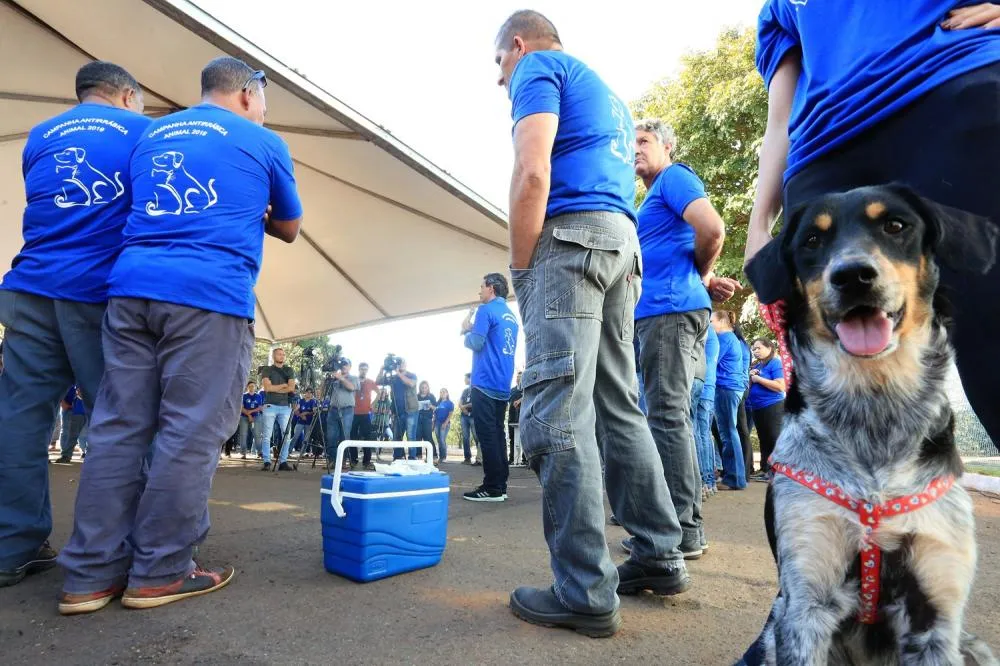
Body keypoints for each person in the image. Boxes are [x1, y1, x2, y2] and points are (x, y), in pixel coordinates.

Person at [57, 56, 302, 614]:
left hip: (130, 290)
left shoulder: (153, 132)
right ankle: (161, 570)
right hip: (207, 297)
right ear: (246, 93)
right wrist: (255, 211)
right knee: (189, 432)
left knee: (118, 428)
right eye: (264, 99)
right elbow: (288, 226)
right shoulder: (263, 141)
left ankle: (89, 578)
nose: (264, 110)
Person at [494, 10, 692, 636]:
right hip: (620, 243)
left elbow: (532, 172)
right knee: (618, 404)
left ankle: (582, 589)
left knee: (558, 409)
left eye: (499, 63)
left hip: (570, 243)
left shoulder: (538, 68)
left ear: (517, 45)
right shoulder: (606, 91)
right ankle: (660, 552)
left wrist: (522, 273)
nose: (500, 79)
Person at [746, 1, 1000, 448]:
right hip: (820, 155)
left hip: (950, 91)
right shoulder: (778, 9)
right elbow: (778, 121)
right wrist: (759, 222)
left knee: (989, 328)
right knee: (824, 368)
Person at [0, 62, 148, 589]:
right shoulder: (143, 133)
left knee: (19, 419)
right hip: (96, 292)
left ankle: (11, 547)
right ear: (127, 95)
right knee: (119, 419)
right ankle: (126, 548)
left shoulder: (40, 136)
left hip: (30, 288)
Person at [631, 118, 731, 557]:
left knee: (667, 417)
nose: (634, 148)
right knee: (669, 416)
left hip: (669, 312)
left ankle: (683, 530)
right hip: (665, 312)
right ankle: (680, 524)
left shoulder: (674, 177)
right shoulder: (652, 194)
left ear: (667, 146)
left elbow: (712, 229)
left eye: (644, 141)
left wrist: (703, 272)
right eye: (630, 141)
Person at [461, 273, 519, 501]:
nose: (479, 291)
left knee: (487, 436)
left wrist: (466, 329)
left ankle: (492, 487)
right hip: (502, 383)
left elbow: (476, 342)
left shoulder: (485, 310)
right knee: (498, 434)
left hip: (484, 381)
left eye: (481, 286)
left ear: (491, 288)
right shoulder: (510, 315)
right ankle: (499, 485)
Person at [710, 311, 748, 491]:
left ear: (722, 322)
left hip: (726, 387)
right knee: (729, 432)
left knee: (728, 433)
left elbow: (711, 359)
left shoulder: (724, 338)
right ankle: (735, 476)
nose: (709, 324)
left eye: (711, 321)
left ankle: (734, 478)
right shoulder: (731, 337)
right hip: (730, 388)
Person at [747, 338, 785, 482]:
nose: (756, 351)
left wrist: (759, 379)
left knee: (774, 438)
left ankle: (778, 472)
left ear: (769, 348)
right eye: (754, 349)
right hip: (757, 407)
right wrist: (751, 377)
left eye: (759, 348)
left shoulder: (775, 362)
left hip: (773, 406)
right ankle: (765, 469)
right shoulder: (758, 365)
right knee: (764, 439)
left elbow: (780, 386)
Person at [259, 347, 297, 471]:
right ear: (273, 356)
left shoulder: (289, 370)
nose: (282, 356)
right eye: (279, 354)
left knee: (287, 435)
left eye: (283, 354)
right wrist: (283, 385)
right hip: (270, 405)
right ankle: (266, 461)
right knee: (266, 435)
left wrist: (277, 387)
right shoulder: (267, 370)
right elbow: (267, 388)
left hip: (285, 407)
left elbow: (291, 388)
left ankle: (283, 461)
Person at [695, 326, 720, 497]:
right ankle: (709, 483)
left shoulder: (703, 326)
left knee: (696, 433)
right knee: (704, 435)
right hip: (709, 387)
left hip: (700, 385)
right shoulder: (712, 333)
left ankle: (703, 482)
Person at [378, 359, 419, 460]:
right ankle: (397, 457)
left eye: (403, 363)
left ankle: (412, 458)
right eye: (399, 363)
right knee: (397, 436)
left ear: (406, 364)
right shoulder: (393, 378)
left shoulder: (411, 375)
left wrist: (398, 374)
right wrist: (381, 369)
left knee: (411, 436)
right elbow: (378, 381)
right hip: (397, 412)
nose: (401, 365)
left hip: (411, 410)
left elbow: (411, 384)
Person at [326, 360, 357, 468]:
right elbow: (323, 390)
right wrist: (329, 378)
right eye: (342, 364)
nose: (344, 366)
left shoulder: (353, 378)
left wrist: (341, 378)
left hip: (347, 410)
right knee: (331, 436)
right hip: (333, 409)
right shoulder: (334, 378)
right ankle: (332, 460)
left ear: (350, 366)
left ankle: (342, 462)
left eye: (346, 364)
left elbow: (352, 387)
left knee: (344, 436)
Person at [349, 361, 378, 470]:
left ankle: (367, 461)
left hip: (366, 413)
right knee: (352, 436)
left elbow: (379, 393)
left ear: (367, 370)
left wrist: (373, 404)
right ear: (359, 369)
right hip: (354, 413)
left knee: (367, 437)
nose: (363, 371)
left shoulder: (370, 382)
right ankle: (353, 460)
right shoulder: (354, 380)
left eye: (365, 369)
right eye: (362, 368)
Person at [55, 386, 88, 465]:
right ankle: (66, 455)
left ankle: (85, 453)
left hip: (86, 409)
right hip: (72, 409)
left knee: (85, 435)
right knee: (69, 433)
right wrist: (62, 401)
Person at [237, 381, 264, 460]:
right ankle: (243, 453)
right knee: (243, 434)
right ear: (247, 387)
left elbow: (260, 407)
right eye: (250, 386)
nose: (252, 387)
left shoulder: (258, 396)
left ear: (255, 387)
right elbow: (241, 407)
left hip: (256, 417)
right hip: (244, 417)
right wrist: (248, 415)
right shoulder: (244, 396)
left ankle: (259, 452)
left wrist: (251, 412)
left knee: (257, 435)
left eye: (253, 386)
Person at [458, 373, 479, 465]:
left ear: (471, 379)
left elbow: (474, 403)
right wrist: (462, 408)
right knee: (465, 437)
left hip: (473, 415)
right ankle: (467, 458)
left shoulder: (476, 390)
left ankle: (479, 458)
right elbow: (460, 402)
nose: (464, 380)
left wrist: (464, 407)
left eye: (466, 378)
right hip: (464, 416)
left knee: (476, 436)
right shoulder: (465, 390)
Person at [415, 381, 438, 461]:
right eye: (422, 387)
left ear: (428, 388)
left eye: (425, 387)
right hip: (417, 418)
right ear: (420, 388)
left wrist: (430, 406)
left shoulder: (431, 396)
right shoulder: (416, 396)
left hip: (427, 419)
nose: (424, 389)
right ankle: (418, 456)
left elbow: (435, 408)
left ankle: (433, 456)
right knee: (418, 437)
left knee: (428, 437)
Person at [292, 387, 318, 453]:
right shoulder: (301, 401)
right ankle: (289, 450)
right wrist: (301, 415)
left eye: (310, 393)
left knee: (306, 439)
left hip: (309, 422)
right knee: (295, 436)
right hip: (300, 421)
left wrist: (307, 413)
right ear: (305, 393)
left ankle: (303, 452)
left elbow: (314, 411)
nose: (308, 394)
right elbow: (295, 410)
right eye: (307, 392)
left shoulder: (313, 401)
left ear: (312, 394)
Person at [433, 388, 455, 462]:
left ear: (447, 393)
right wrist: (433, 424)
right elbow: (435, 414)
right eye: (441, 392)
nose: (442, 393)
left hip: (445, 423)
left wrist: (445, 423)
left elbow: (450, 414)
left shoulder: (450, 403)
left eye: (444, 392)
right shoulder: (437, 403)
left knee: (442, 440)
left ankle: (444, 457)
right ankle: (441, 457)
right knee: (439, 440)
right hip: (437, 423)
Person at [507, 371, 523, 464]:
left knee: (524, 439)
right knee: (512, 438)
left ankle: (525, 459)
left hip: (523, 417)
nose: (518, 379)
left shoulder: (526, 389)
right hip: (512, 418)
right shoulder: (512, 390)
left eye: (520, 377)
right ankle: (512, 458)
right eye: (517, 377)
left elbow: (530, 396)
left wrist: (520, 400)